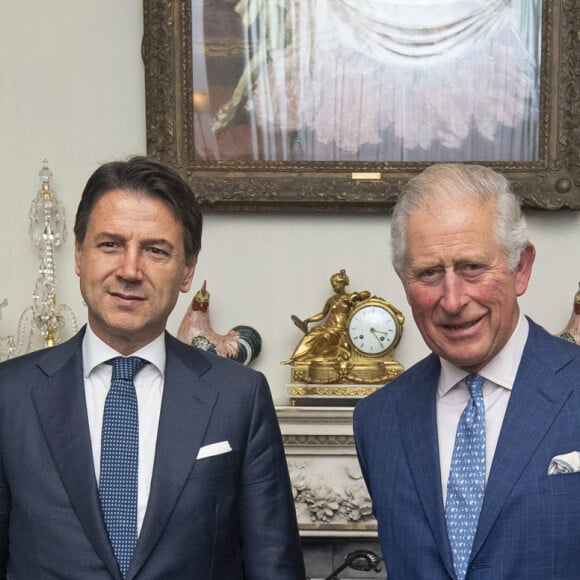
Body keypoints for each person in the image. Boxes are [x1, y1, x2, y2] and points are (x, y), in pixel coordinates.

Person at [0, 156, 306, 579]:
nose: (129, 270)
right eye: (110, 244)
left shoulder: (240, 397)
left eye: (155, 250)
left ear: (186, 270)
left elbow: (275, 566)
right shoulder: (9, 396)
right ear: (78, 255)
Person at [354, 163, 580, 579]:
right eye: (429, 273)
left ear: (521, 268)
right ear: (404, 281)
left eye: (472, 267)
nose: (453, 300)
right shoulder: (377, 419)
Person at [282, 269, 370, 364]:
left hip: (341, 329)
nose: (333, 289)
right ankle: (295, 358)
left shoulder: (350, 297)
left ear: (342, 284)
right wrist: (308, 320)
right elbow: (322, 314)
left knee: (325, 336)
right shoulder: (331, 300)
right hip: (329, 327)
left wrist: (356, 296)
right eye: (333, 286)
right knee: (311, 334)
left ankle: (318, 359)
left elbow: (367, 294)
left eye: (335, 286)